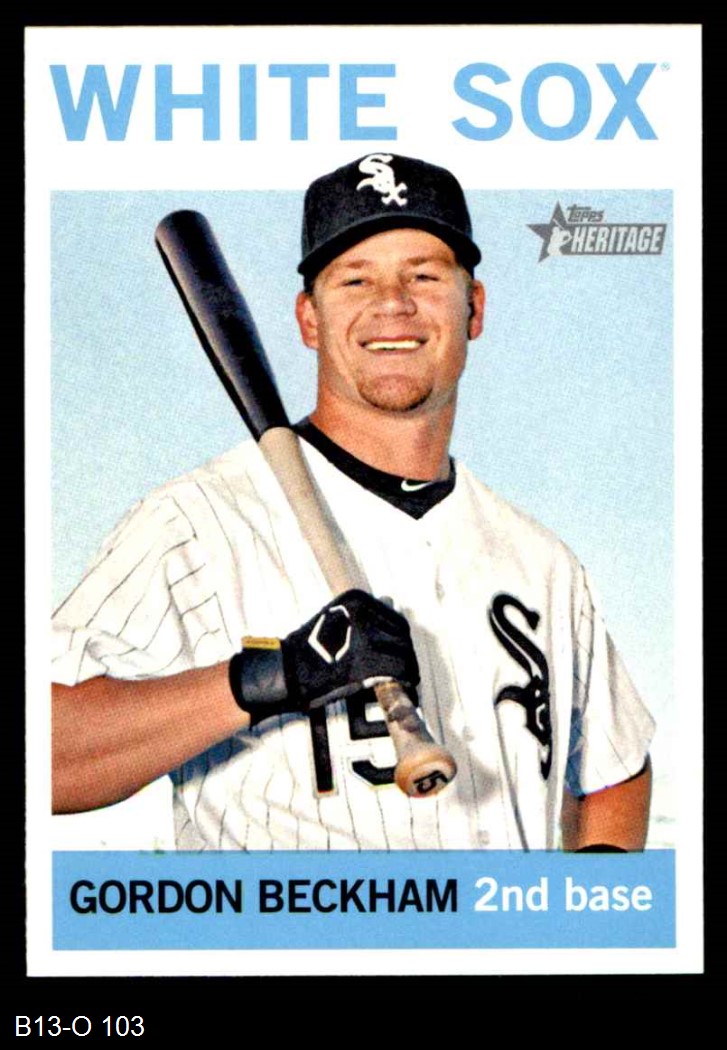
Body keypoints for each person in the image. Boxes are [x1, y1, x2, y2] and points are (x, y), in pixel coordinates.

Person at [52, 153, 654, 851]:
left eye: (424, 275)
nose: (392, 303)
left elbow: (615, 769)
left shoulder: (542, 562)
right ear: (309, 318)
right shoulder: (199, 522)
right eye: (355, 279)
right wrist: (271, 677)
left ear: (475, 308)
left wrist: (588, 906)